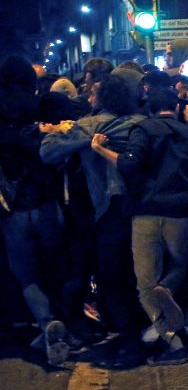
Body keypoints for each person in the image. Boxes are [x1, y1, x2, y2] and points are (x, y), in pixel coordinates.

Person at [40, 75, 147, 368]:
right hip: (146, 207)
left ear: (103, 99)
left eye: (93, 95)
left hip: (111, 209)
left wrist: (62, 133)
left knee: (113, 278)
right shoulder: (141, 120)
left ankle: (131, 343)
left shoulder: (91, 126)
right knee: (142, 276)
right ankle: (149, 334)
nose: (89, 99)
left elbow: (47, 151)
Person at [90, 90, 188, 366]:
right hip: (181, 212)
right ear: (175, 106)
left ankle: (171, 341)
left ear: (149, 109)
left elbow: (129, 164)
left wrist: (100, 149)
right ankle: (169, 288)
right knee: (180, 267)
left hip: (146, 213)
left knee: (145, 284)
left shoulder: (142, 129)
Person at [0, 55, 69, 366]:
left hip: (13, 207)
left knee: (25, 273)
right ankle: (65, 321)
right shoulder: (41, 106)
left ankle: (46, 323)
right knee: (55, 265)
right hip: (46, 201)